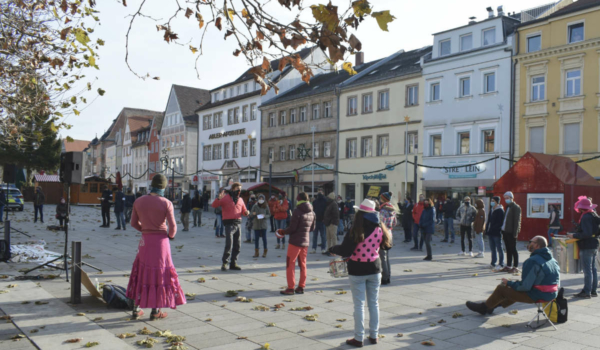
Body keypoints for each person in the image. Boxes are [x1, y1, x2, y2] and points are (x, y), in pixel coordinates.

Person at [328, 199, 392, 348]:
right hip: (375, 269)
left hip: (357, 269)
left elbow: (345, 250)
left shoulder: (356, 229)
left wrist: (333, 249)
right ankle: (374, 335)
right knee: (374, 304)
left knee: (359, 305)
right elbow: (387, 245)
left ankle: (358, 338)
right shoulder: (380, 228)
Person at [126, 174, 186, 321]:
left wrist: (145, 230)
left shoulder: (139, 201)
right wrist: (170, 236)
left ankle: (136, 308)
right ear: (163, 187)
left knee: (141, 271)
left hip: (145, 241)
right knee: (159, 274)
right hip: (161, 243)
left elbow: (133, 223)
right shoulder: (166, 203)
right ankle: (155, 310)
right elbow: (173, 226)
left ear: (152, 185)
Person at [465, 236, 560, 315]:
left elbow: (525, 287)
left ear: (537, 245)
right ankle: (491, 306)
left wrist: (509, 282)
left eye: (531, 242)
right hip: (552, 294)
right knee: (514, 289)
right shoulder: (553, 260)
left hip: (538, 295)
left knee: (502, 287)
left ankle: (483, 308)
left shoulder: (532, 261)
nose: (529, 243)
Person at [278, 192, 316, 295]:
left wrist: (283, 231)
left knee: (290, 263)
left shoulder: (297, 211)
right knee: (303, 264)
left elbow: (292, 228)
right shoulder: (312, 212)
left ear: (299, 200)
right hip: (305, 242)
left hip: (295, 241)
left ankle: (290, 288)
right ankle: (301, 286)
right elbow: (312, 228)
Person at [212, 182, 249, 271]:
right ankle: (225, 263)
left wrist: (247, 212)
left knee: (238, 245)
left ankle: (233, 263)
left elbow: (244, 211)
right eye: (237, 189)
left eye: (240, 189)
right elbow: (214, 205)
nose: (239, 191)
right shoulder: (225, 198)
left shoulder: (240, 200)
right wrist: (218, 198)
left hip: (238, 224)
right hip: (229, 224)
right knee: (229, 244)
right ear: (233, 189)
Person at [568, 197, 599, 298]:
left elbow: (586, 233)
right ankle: (593, 290)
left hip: (587, 245)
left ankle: (586, 292)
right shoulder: (593, 214)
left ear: (581, 208)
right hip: (594, 244)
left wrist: (574, 235)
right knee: (593, 269)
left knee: (587, 270)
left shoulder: (585, 217)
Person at [379, 192, 397, 283]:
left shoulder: (382, 210)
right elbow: (395, 223)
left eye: (381, 198)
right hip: (389, 233)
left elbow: (380, 224)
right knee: (386, 256)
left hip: (383, 234)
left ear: (383, 199)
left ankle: (385, 277)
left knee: (383, 257)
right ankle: (388, 276)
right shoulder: (392, 210)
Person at [501, 191, 522, 273]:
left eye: (507, 198)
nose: (506, 199)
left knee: (513, 249)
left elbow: (517, 221)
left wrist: (515, 233)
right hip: (505, 230)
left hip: (511, 232)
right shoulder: (507, 207)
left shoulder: (516, 207)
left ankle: (515, 266)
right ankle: (509, 265)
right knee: (508, 249)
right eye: (505, 198)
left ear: (511, 198)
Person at [486, 196, 505, 271]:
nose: (492, 202)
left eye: (493, 201)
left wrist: (495, 229)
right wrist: (487, 229)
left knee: (499, 248)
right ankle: (493, 263)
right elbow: (489, 221)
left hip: (496, 232)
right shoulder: (492, 209)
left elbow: (500, 222)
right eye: (491, 200)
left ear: (497, 202)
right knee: (492, 249)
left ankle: (501, 263)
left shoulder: (500, 210)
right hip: (490, 232)